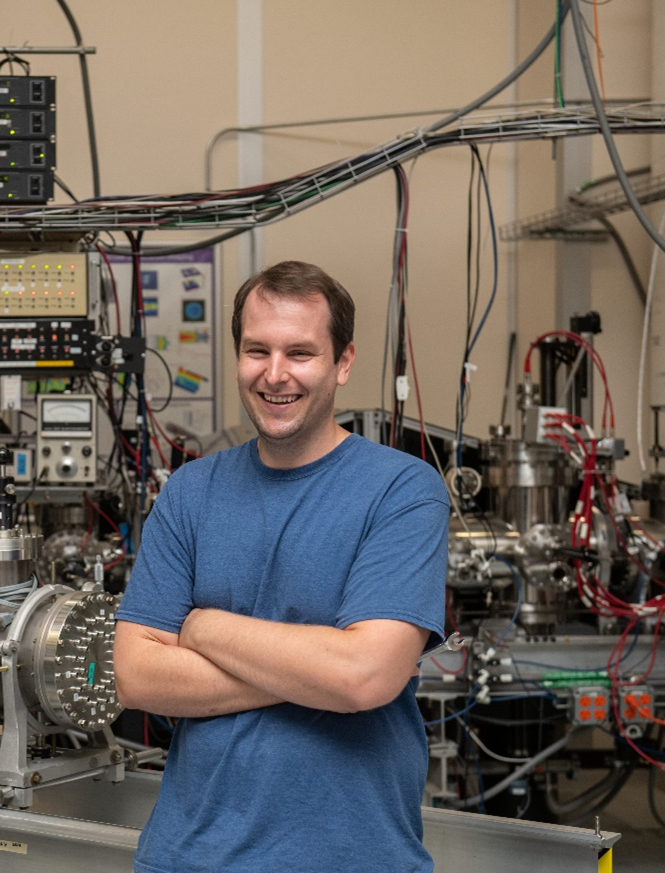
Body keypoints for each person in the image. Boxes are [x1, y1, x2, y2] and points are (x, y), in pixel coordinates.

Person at [113, 260, 448, 873]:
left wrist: (202, 628)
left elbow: (365, 678)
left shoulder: (402, 490)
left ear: (343, 362)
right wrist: (319, 672)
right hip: (189, 858)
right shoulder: (190, 492)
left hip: (352, 858)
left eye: (300, 352)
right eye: (255, 350)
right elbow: (136, 677)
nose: (274, 375)